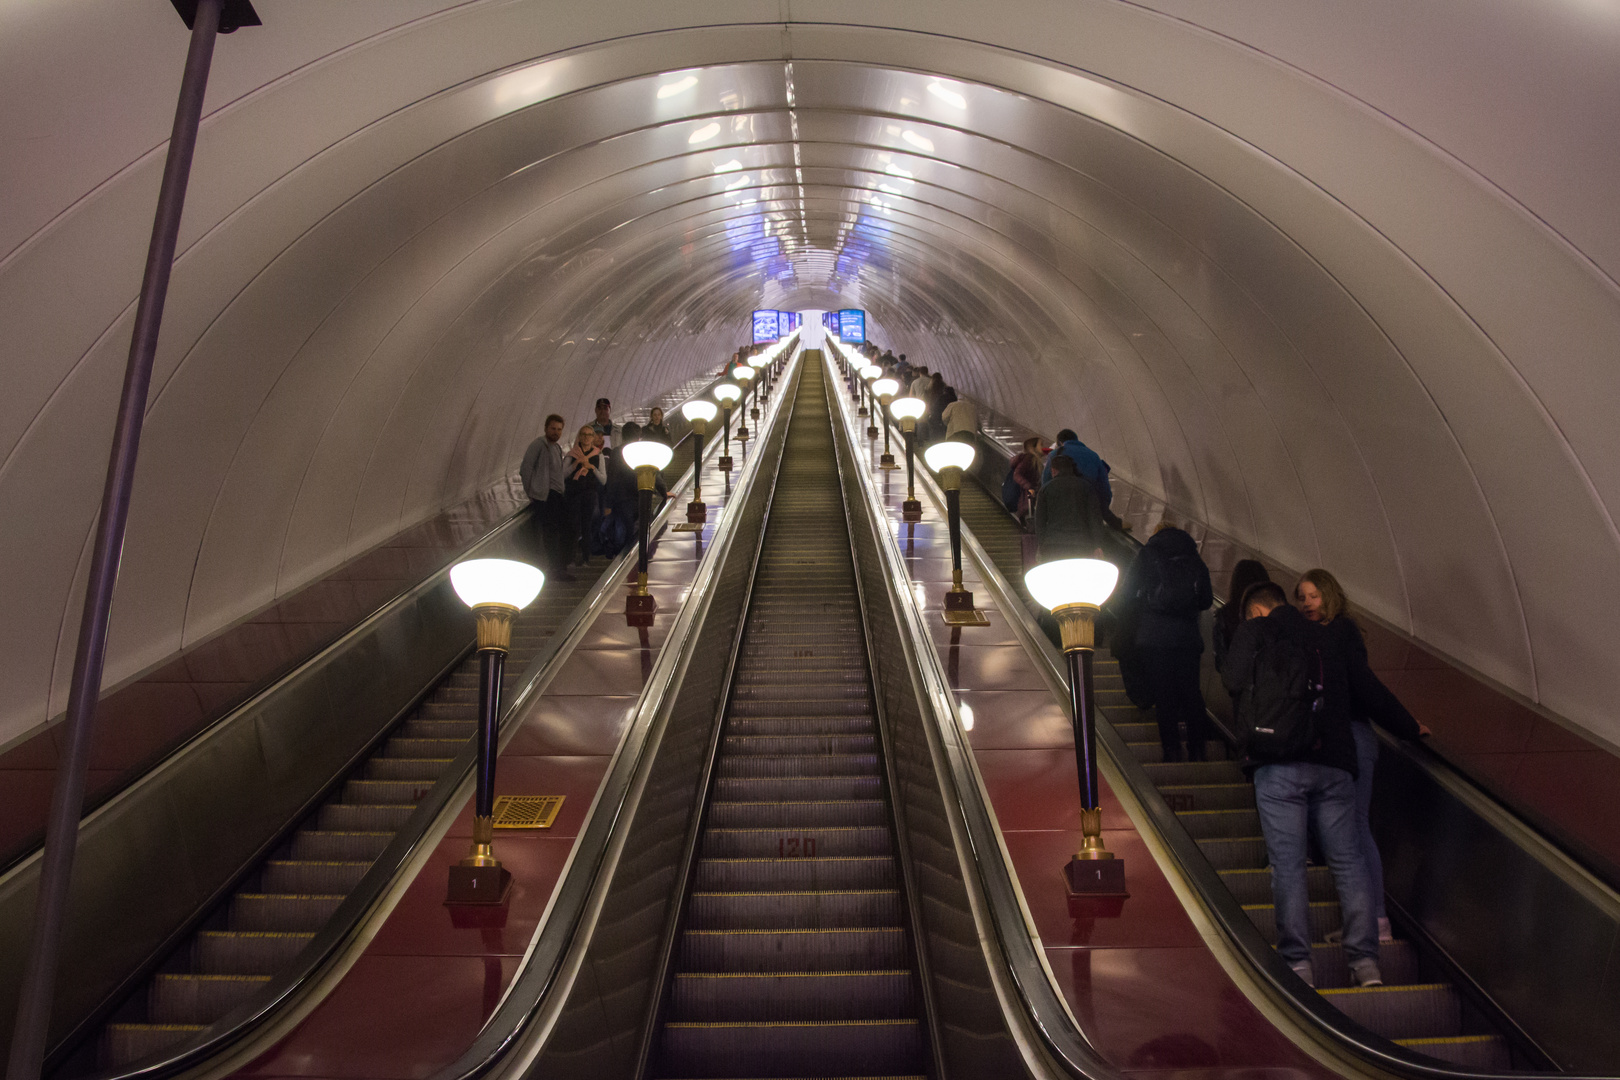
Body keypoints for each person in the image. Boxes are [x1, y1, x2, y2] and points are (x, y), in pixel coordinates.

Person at [1224, 581, 1382, 989]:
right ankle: (1366, 964)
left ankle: (1298, 966)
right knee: (1348, 861)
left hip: (1278, 762)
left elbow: (1232, 678)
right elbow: (1359, 688)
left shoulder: (1256, 631)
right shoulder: (1327, 632)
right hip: (1334, 762)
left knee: (1289, 866)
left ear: (1257, 610)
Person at [1296, 568, 1428, 945]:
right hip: (1336, 743)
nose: (1306, 604)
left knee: (1353, 829)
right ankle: (1363, 921)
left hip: (1353, 739)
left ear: (1330, 596)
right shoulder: (1319, 637)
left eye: (1314, 596)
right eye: (1301, 597)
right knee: (1343, 833)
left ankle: (1376, 920)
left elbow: (1366, 686)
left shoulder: (1341, 633)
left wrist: (1406, 724)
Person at [1119, 522, 1213, 761]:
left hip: (1154, 639)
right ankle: (1198, 750)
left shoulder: (1147, 554)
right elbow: (1206, 600)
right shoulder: (1193, 556)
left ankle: (1171, 750)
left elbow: (1127, 594)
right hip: (1187, 639)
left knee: (1164, 695)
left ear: (1156, 534)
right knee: (1192, 694)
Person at [519, 413, 574, 581]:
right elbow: (526, 468)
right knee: (551, 532)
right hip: (545, 496)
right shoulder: (538, 445)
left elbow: (559, 473)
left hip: (557, 494)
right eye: (553, 429)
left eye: (559, 429)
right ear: (545, 428)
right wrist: (532, 492)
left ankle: (562, 566)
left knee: (568, 528)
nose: (556, 432)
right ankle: (556, 569)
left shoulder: (557, 448)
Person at [1033, 454, 1108, 560]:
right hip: (1082, 544)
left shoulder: (1046, 489)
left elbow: (1040, 521)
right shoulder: (1086, 487)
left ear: (1053, 470)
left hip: (1054, 544)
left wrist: (1042, 543)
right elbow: (1095, 518)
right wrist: (1097, 544)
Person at [1214, 559, 1272, 675]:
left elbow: (1220, 661)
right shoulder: (1273, 611)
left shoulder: (1225, 614)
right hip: (1270, 682)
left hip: (1239, 683)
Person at [1042, 429, 1113, 511]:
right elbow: (1103, 484)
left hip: (1063, 505)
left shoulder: (1055, 454)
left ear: (1060, 442)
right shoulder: (1093, 455)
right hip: (1088, 505)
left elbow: (1046, 481)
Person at [564, 425, 605, 566]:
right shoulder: (571, 455)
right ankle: (570, 558)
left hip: (589, 493)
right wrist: (576, 464)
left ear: (593, 438)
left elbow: (604, 479)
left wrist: (592, 467)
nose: (586, 437)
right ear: (580, 437)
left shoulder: (598, 456)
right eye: (584, 434)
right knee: (574, 525)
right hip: (574, 494)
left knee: (587, 525)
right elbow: (563, 475)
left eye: (589, 435)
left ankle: (586, 557)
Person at [1004, 436, 1046, 525]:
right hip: (1027, 498)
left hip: (1029, 499)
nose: (1043, 447)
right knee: (1030, 523)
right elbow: (1017, 474)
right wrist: (1028, 486)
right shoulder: (1029, 459)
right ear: (1033, 448)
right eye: (1041, 445)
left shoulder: (1035, 460)